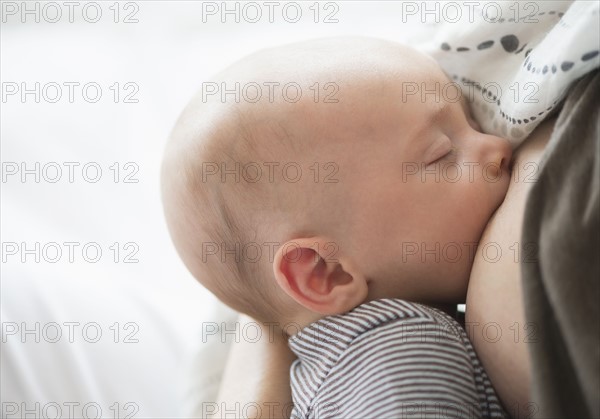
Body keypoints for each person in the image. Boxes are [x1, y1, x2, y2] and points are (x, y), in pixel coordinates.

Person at [161, 37, 513, 417]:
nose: (498, 148)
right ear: (325, 273)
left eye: (472, 122)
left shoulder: (345, 366)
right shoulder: (402, 347)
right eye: (443, 155)